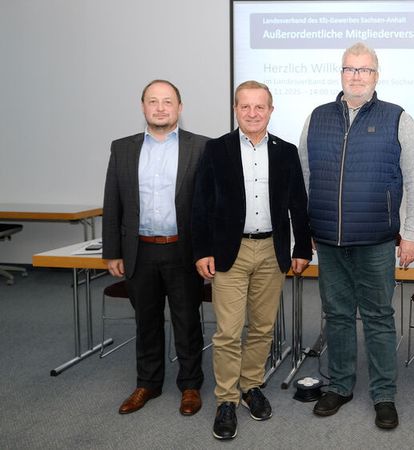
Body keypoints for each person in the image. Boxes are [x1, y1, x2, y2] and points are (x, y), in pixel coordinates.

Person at [297, 41, 414, 430]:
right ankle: (339, 385)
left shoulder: (397, 118)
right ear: (341, 74)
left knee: (378, 317)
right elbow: (304, 176)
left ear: (376, 75)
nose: (356, 76)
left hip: (376, 240)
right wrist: (306, 229)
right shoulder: (317, 117)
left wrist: (411, 233)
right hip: (330, 241)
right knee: (336, 315)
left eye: (364, 70)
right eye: (349, 70)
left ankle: (384, 394)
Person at [192, 80, 312, 441]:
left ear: (271, 110)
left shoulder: (286, 152)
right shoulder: (216, 150)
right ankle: (226, 400)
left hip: (271, 250)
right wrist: (201, 251)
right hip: (231, 251)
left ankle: (250, 386)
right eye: (245, 106)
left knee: (262, 327)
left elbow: (298, 205)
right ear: (235, 110)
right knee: (228, 331)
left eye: (260, 107)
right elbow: (200, 205)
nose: (253, 113)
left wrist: (302, 248)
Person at [102, 79, 208, 417]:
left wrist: (208, 249)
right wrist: (113, 251)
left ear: (179, 107)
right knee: (145, 320)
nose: (160, 107)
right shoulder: (123, 148)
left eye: (167, 101)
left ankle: (190, 385)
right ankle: (147, 383)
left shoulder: (201, 147)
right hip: (140, 251)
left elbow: (208, 205)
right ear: (143, 106)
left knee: (187, 320)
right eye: (153, 101)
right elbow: (113, 201)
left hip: (183, 250)